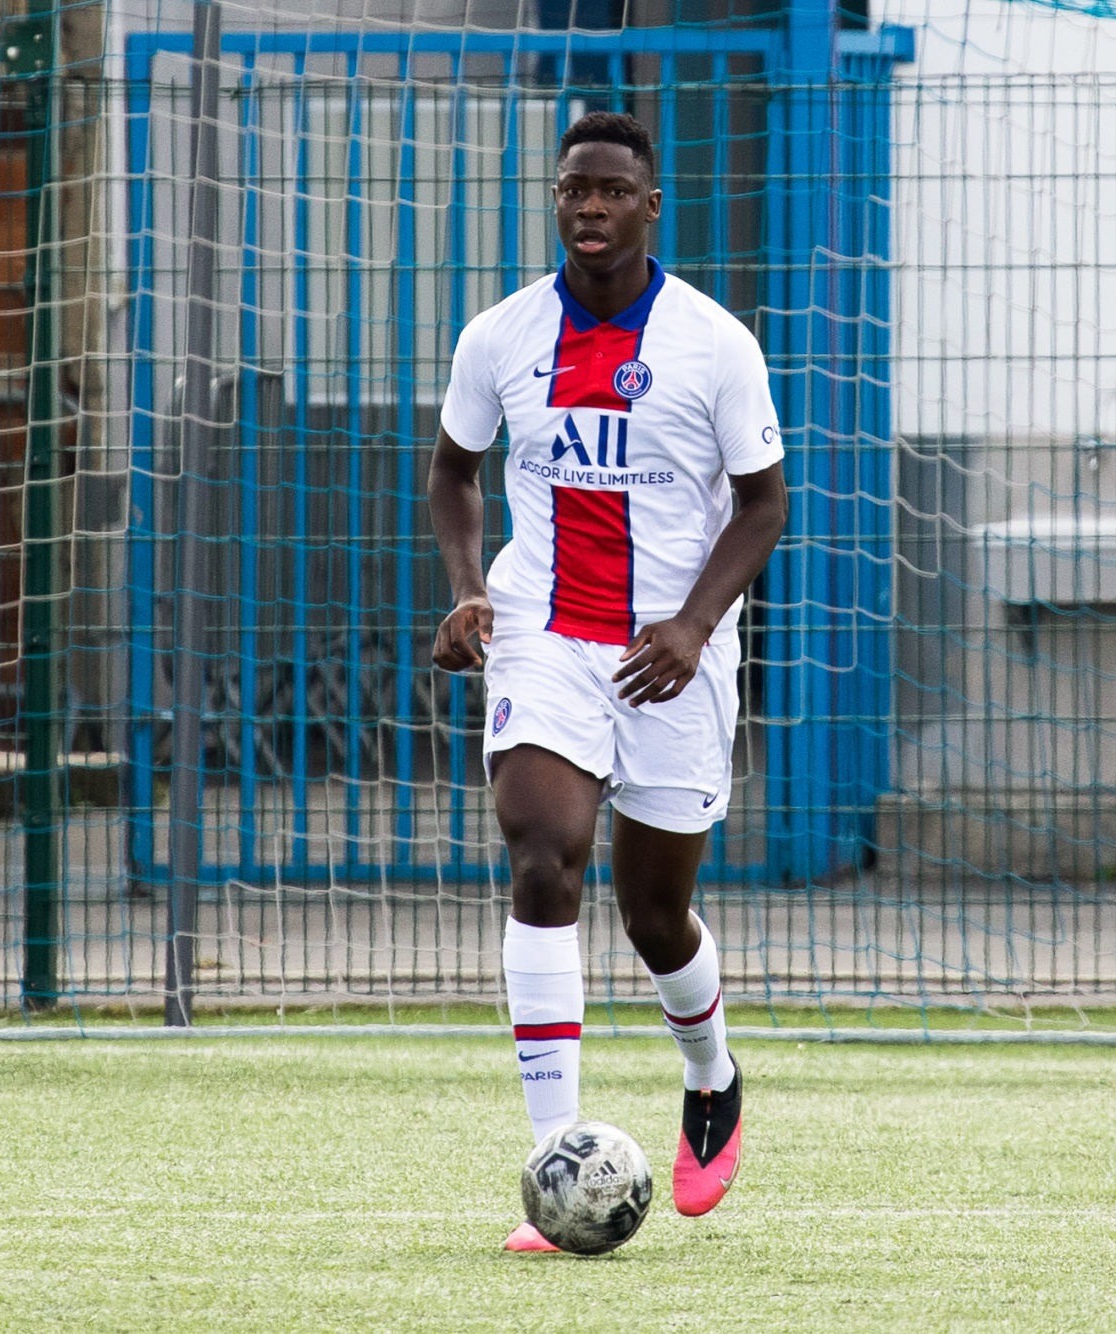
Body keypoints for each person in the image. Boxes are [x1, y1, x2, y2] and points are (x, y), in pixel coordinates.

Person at [427, 112, 788, 1250]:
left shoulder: (713, 342)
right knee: (543, 850)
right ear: (555, 197)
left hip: (671, 655)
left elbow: (765, 501)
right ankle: (556, 1154)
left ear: (650, 204)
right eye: (573, 188)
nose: (590, 207)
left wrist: (691, 620)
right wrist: (465, 586)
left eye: (612, 191)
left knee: (653, 909)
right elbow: (453, 473)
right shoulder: (499, 336)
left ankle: (712, 1071)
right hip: (542, 631)